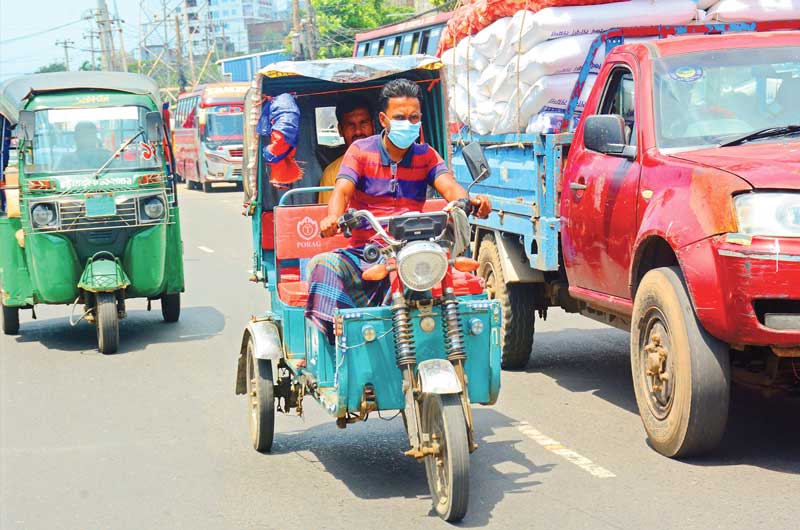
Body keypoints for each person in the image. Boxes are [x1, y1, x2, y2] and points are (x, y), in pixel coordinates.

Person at [305, 78, 492, 342]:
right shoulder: (359, 152)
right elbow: (342, 191)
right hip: (368, 252)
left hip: (416, 250)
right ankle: (340, 345)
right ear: (383, 119)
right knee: (325, 264)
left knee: (461, 290)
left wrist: (470, 201)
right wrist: (333, 217)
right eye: (400, 117)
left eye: (414, 117)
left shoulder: (426, 155)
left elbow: (450, 187)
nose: (408, 123)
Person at [318, 96, 375, 204]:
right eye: (350, 125)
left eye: (363, 123)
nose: (358, 131)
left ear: (373, 125)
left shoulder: (391, 163)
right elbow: (328, 216)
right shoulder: (331, 173)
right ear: (340, 130)